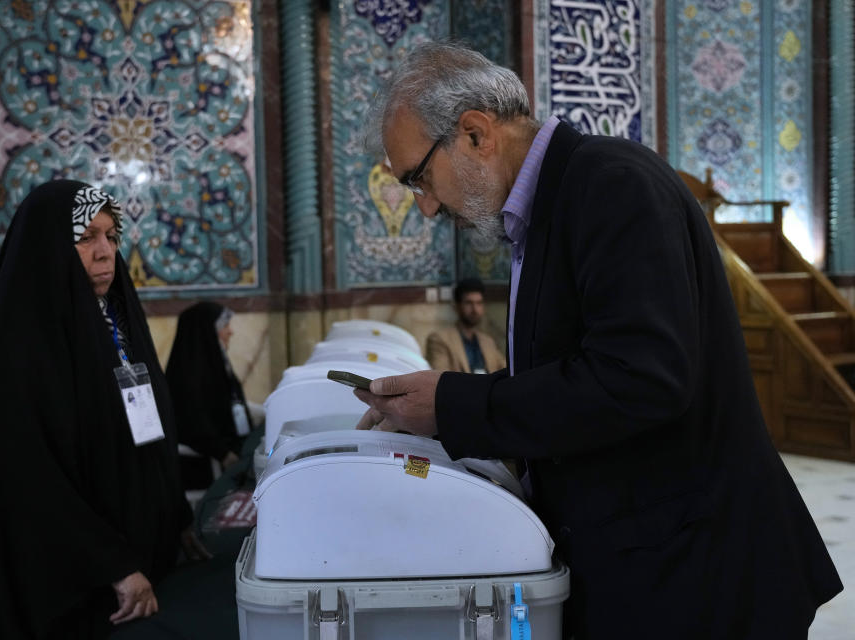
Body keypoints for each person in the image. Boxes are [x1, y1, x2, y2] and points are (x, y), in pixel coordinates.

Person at [354, 41, 842, 638]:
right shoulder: (548, 206)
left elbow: (640, 378)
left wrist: (457, 405)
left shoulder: (611, 185)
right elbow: (575, 370)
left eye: (420, 178)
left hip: (697, 579)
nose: (426, 207)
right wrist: (444, 408)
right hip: (650, 566)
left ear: (476, 133)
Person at [0, 180, 206, 639]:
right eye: (86, 237)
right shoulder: (18, 344)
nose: (104, 251)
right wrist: (113, 565)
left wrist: (176, 516)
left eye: (111, 236)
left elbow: (146, 430)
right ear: (51, 247)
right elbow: (30, 479)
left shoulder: (114, 321)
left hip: (137, 568)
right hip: (68, 587)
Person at [165, 302, 260, 489]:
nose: (230, 332)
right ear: (206, 332)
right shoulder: (186, 374)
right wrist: (223, 453)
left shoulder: (215, 362)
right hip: (203, 465)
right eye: (225, 326)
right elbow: (192, 424)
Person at [426, 277, 506, 373]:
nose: (475, 310)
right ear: (457, 306)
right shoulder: (439, 339)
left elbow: (505, 369)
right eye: (469, 303)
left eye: (479, 303)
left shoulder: (488, 341)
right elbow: (440, 377)